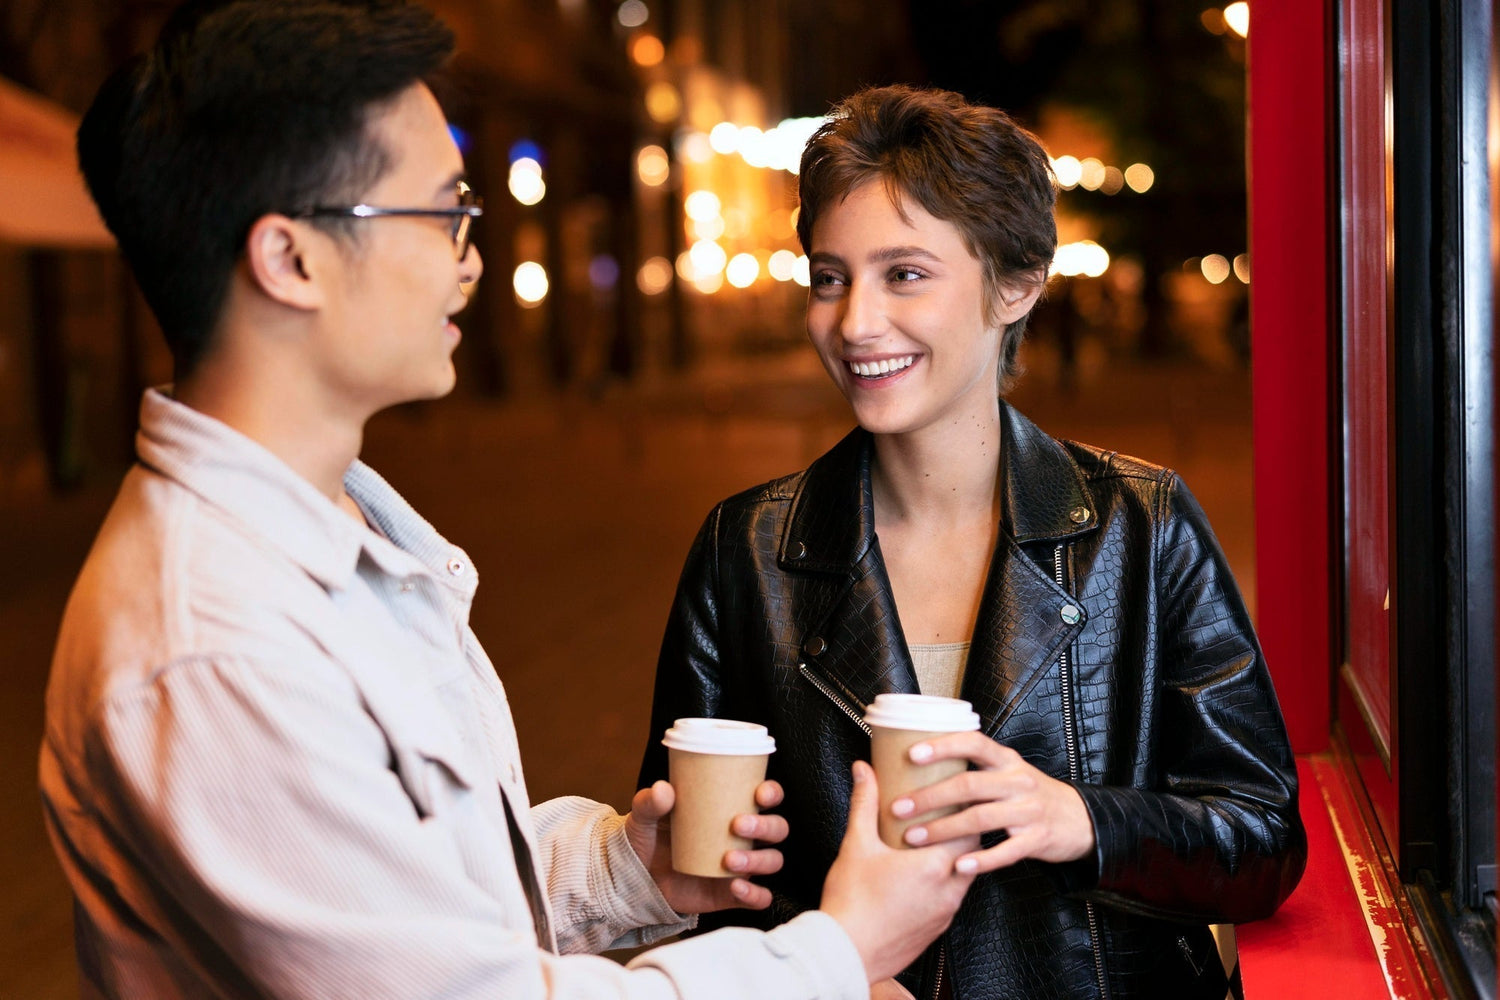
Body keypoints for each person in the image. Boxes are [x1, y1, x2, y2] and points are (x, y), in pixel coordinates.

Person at [38, 6, 979, 998]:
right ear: (290, 259)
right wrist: (839, 949)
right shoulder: (220, 639)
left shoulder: (331, 530)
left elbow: (408, 886)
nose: (471, 256)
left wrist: (624, 868)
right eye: (441, 212)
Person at [639, 85, 1308, 1000]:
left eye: (904, 273)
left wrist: (1082, 820)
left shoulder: (1142, 524)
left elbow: (1263, 839)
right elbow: (704, 880)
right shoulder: (745, 548)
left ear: (1017, 283)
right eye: (830, 277)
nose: (855, 322)